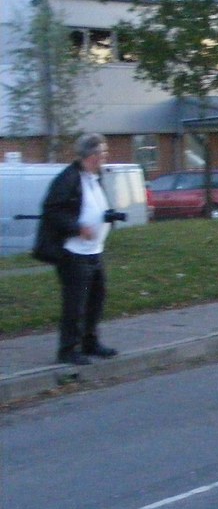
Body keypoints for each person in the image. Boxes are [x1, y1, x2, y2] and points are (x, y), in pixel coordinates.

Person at [35, 133, 118, 365]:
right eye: (103, 152)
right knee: (75, 302)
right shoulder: (69, 178)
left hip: (94, 250)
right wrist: (76, 228)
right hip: (74, 252)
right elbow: (52, 210)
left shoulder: (94, 177)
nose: (106, 156)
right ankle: (68, 350)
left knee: (96, 298)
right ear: (91, 155)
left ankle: (90, 342)